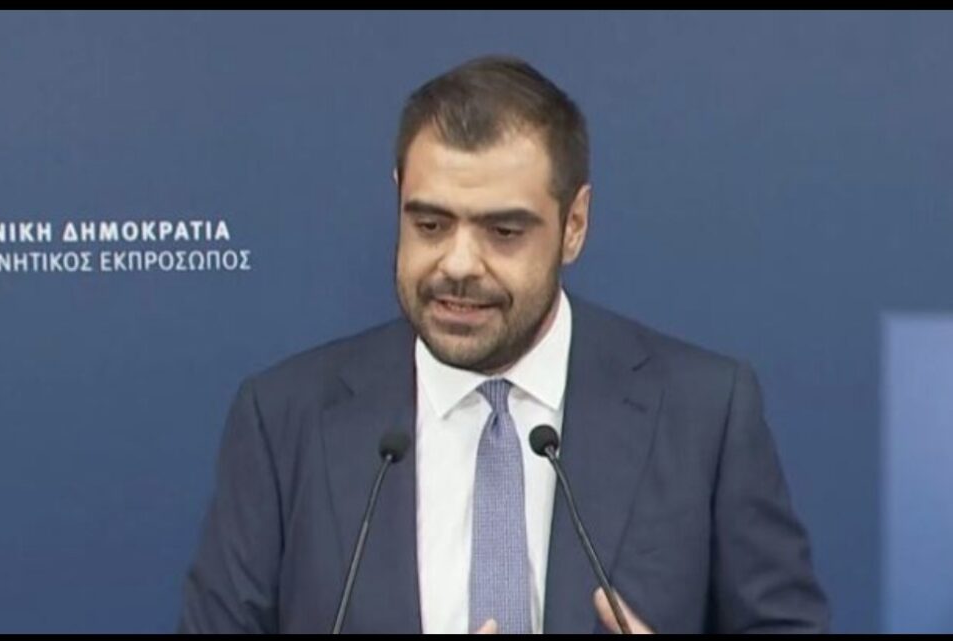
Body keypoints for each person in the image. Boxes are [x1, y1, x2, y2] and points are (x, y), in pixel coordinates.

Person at [178, 55, 829, 634]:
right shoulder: (284, 419)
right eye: (430, 224)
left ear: (574, 226)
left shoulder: (703, 412)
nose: (459, 264)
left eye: (504, 232)